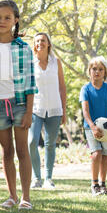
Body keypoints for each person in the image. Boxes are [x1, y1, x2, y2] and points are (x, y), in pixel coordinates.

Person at [0, 0, 37, 210]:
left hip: (20, 104)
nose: (2, 21)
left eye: (7, 18)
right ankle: (11, 196)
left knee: (22, 150)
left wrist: (29, 112)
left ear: (15, 20)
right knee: (6, 152)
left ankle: (26, 197)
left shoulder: (24, 48)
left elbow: (31, 83)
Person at [28, 32, 67, 189]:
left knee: (50, 144)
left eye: (43, 40)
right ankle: (36, 178)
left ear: (48, 43)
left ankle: (48, 179)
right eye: (37, 41)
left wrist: (64, 109)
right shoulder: (30, 63)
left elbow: (62, 87)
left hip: (54, 109)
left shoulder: (56, 62)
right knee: (31, 141)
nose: (40, 43)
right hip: (35, 108)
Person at [79, 56, 107, 196]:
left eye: (100, 69)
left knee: (104, 156)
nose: (97, 72)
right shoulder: (86, 89)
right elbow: (85, 111)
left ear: (105, 72)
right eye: (94, 69)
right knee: (96, 153)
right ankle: (94, 184)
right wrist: (92, 126)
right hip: (90, 127)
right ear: (89, 71)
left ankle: (103, 185)